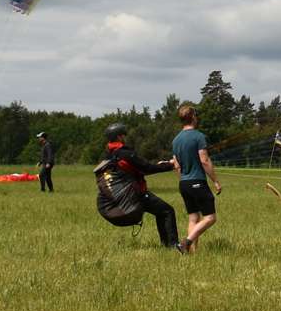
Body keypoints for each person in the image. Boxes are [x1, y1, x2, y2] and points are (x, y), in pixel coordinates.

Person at [93, 122, 181, 250]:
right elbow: (147, 168)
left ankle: (166, 245)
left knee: (161, 211)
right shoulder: (125, 154)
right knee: (167, 211)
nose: (124, 137)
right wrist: (170, 165)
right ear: (119, 137)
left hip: (123, 197)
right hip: (136, 195)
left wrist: (161, 165)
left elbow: (136, 169)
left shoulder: (109, 155)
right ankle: (172, 245)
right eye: (123, 135)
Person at [170, 104, 222, 251]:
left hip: (184, 184)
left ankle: (191, 253)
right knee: (210, 218)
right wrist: (215, 181)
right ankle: (185, 243)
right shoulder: (199, 136)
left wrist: (184, 180)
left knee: (193, 218)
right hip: (197, 182)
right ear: (193, 117)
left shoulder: (176, 140)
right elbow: (204, 160)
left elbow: (176, 165)